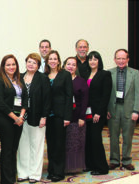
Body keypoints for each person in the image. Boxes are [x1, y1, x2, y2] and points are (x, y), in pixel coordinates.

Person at [0, 54, 28, 184]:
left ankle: (12, 177)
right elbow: (0, 102)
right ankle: (6, 180)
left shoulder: (20, 79)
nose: (11, 67)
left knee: (14, 149)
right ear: (3, 66)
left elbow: (25, 98)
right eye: (8, 65)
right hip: (5, 119)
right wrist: (14, 117)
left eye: (13, 64)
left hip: (19, 119)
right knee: (7, 149)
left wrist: (21, 116)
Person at [16, 53, 50, 183]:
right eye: (29, 61)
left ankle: (34, 174)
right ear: (25, 62)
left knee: (36, 145)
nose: (31, 64)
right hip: (21, 116)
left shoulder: (43, 78)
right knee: (22, 144)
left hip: (38, 116)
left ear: (38, 65)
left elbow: (47, 100)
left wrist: (44, 116)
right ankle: (23, 172)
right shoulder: (19, 77)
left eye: (34, 63)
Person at [108, 49, 139, 171]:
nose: (121, 61)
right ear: (115, 59)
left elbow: (138, 93)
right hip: (114, 109)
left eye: (123, 58)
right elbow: (106, 94)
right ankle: (114, 160)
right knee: (113, 137)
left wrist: (136, 111)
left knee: (128, 137)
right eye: (118, 58)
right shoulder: (109, 73)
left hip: (129, 110)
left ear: (127, 59)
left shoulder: (135, 73)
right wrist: (107, 110)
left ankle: (127, 160)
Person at [45, 50, 73, 182]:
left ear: (58, 61)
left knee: (59, 144)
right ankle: (51, 170)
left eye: (55, 58)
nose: (52, 61)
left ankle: (59, 172)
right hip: (48, 116)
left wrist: (67, 116)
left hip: (60, 115)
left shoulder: (65, 75)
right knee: (50, 144)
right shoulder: (44, 75)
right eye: (50, 58)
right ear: (47, 61)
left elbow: (69, 97)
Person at [84, 51, 111, 175]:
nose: (92, 61)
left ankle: (102, 167)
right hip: (87, 113)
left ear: (99, 61)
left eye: (95, 59)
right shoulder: (86, 74)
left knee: (96, 139)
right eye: (90, 59)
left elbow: (105, 96)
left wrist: (99, 112)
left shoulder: (105, 74)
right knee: (88, 139)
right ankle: (91, 164)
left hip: (97, 113)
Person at [63, 57, 89, 173]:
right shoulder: (61, 79)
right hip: (62, 117)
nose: (71, 67)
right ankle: (63, 166)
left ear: (76, 67)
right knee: (64, 143)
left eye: (73, 65)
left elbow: (85, 100)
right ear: (64, 66)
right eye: (68, 64)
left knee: (75, 143)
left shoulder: (80, 81)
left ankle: (74, 166)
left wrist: (82, 117)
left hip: (76, 118)